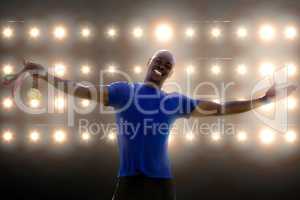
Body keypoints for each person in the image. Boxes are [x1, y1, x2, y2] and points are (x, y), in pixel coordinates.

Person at [22, 50, 296, 200]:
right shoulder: (123, 92)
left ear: (170, 73)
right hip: (128, 183)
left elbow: (222, 109)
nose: (162, 65)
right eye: (159, 61)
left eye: (168, 64)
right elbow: (80, 90)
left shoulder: (173, 102)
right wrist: (45, 76)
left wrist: (262, 99)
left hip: (161, 187)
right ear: (148, 63)